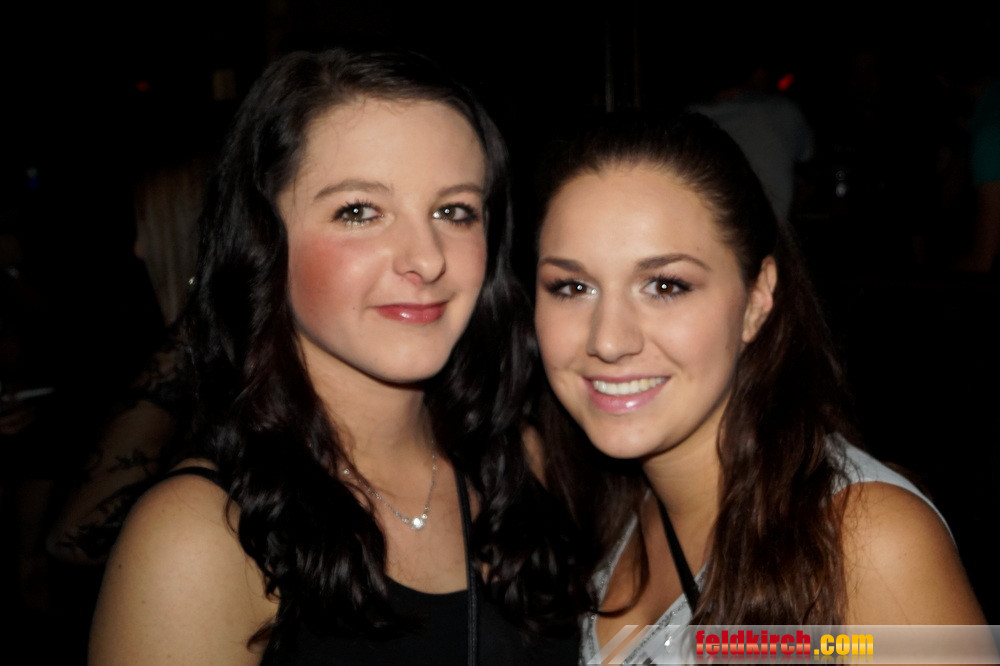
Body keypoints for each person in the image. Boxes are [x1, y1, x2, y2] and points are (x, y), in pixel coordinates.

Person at [90, 48, 584, 664]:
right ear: (263, 238)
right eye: (359, 211)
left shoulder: (524, 464)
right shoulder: (197, 535)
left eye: (454, 211)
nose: (426, 258)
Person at [531, 114, 987, 663]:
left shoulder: (867, 542)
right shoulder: (587, 499)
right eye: (572, 286)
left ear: (756, 300)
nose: (608, 340)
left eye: (665, 285)